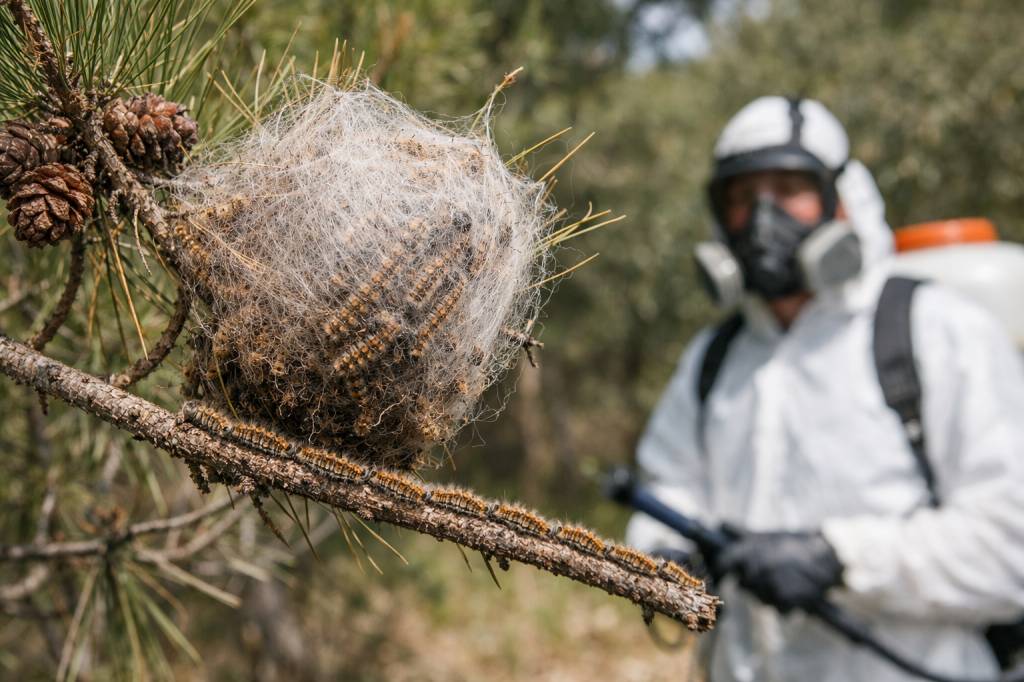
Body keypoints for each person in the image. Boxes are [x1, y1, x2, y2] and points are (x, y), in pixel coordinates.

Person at [624, 96, 1024, 681]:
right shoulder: (715, 357)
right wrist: (668, 553)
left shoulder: (936, 331)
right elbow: (670, 486)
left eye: (790, 189)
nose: (763, 218)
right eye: (742, 196)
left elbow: (1010, 547)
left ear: (844, 198)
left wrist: (839, 560)